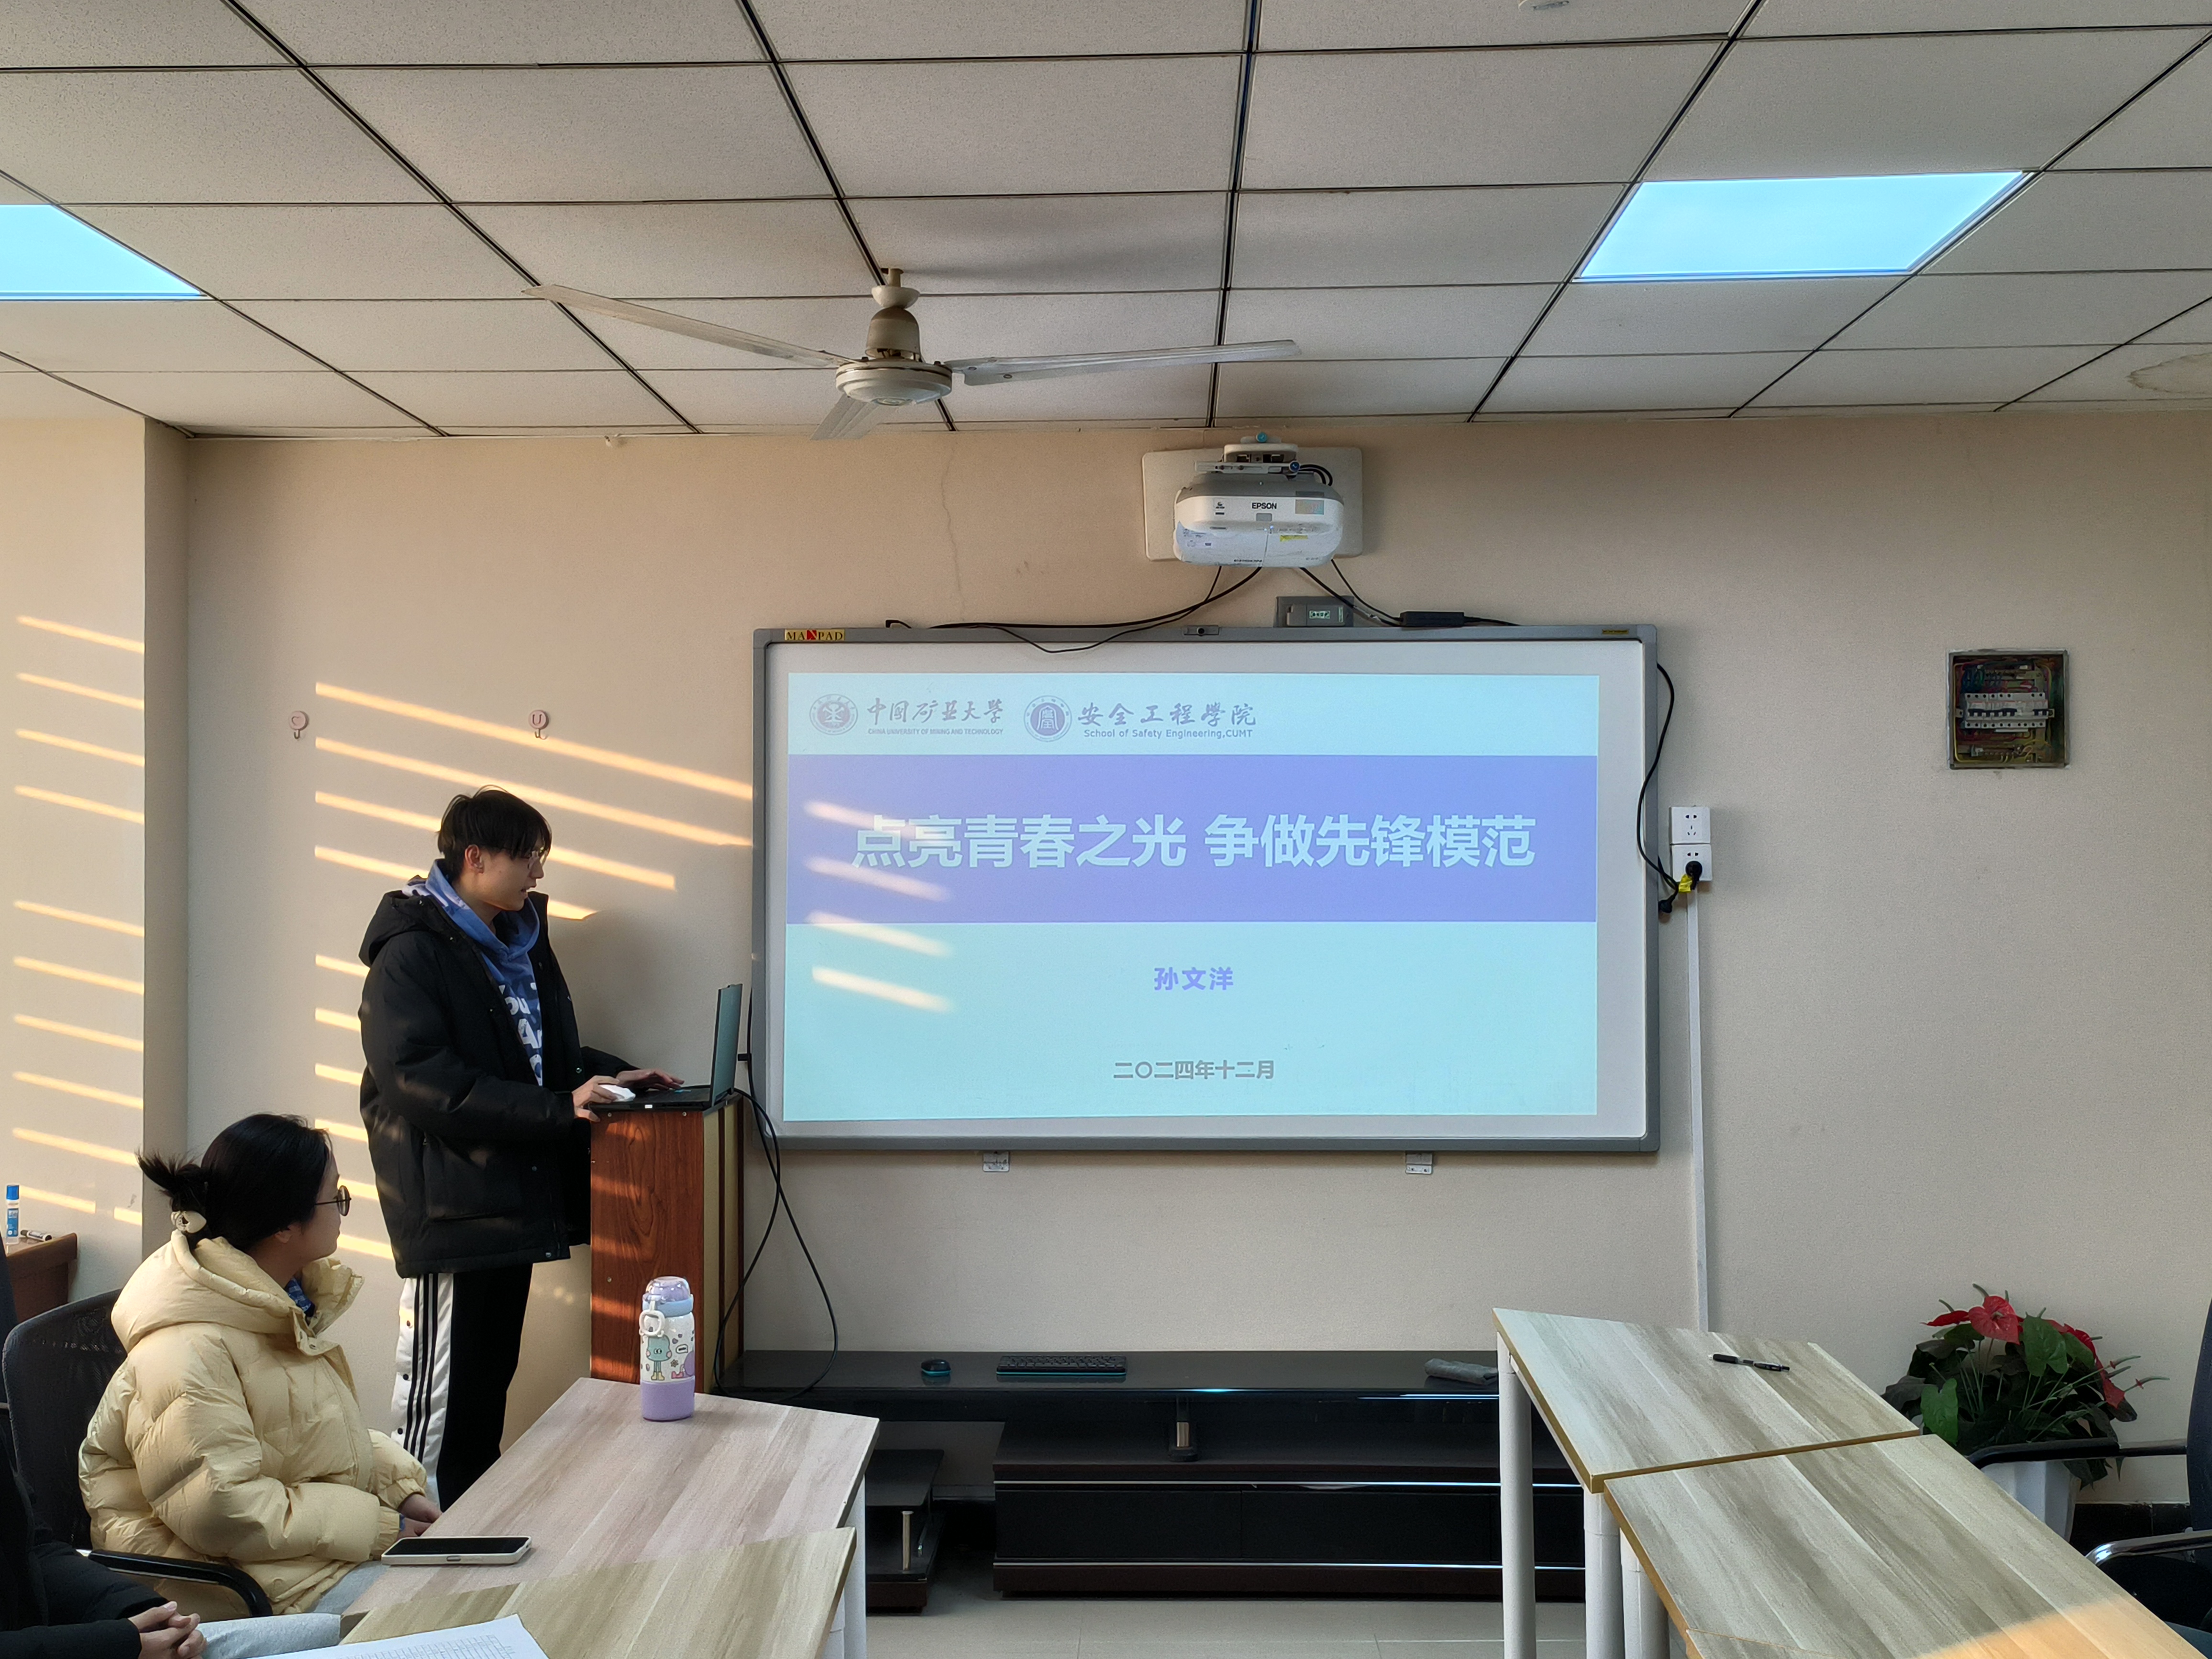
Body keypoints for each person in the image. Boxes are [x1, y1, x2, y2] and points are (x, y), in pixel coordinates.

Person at [356, 787, 677, 1505]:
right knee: (442, 1403)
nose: (539, 871)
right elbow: (420, 1081)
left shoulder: (517, 942)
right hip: (451, 1208)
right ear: (475, 858)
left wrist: (605, 1077)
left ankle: (471, 1537)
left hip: (507, 1201)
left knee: (485, 1389)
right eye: (528, 856)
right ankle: (419, 1541)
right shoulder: (412, 952)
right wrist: (559, 1106)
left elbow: (529, 1059)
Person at [81, 1116, 438, 1635]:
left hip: (285, 1559)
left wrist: (402, 1490)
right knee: (446, 1612)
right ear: (283, 1226)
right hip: (227, 1585)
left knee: (475, 1573)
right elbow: (222, 1510)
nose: (343, 1210)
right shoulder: (188, 1350)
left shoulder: (273, 1307)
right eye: (334, 1197)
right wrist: (384, 1526)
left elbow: (311, 1439)